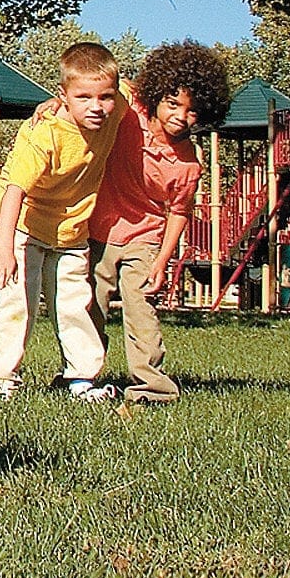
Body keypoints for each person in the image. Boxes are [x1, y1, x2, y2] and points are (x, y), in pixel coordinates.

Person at [0, 41, 128, 401]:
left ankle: (81, 379)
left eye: (105, 97)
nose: (96, 107)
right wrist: (3, 252)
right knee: (18, 304)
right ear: (63, 96)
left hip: (71, 230)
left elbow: (137, 92)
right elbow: (15, 190)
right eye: (83, 97)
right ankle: (0, 380)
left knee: (74, 304)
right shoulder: (43, 135)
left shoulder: (116, 107)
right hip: (22, 227)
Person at [88, 41, 229, 405]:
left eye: (193, 111)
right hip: (101, 229)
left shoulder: (187, 164)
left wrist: (162, 262)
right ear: (155, 96)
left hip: (145, 239)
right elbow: (90, 92)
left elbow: (178, 212)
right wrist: (52, 105)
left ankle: (152, 388)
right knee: (91, 307)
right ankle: (81, 377)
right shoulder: (130, 110)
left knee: (141, 310)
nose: (181, 116)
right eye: (173, 104)